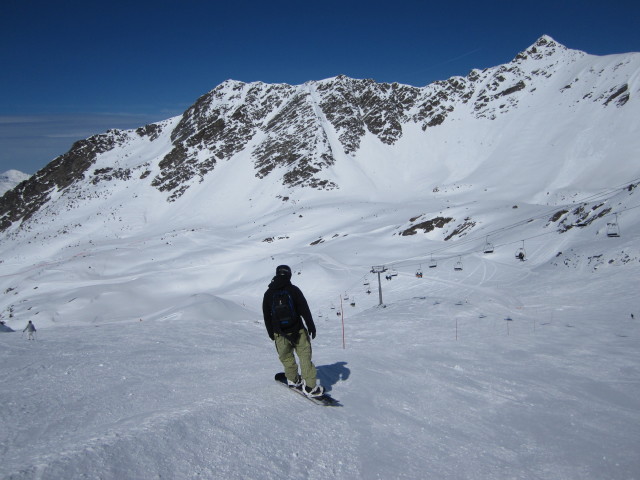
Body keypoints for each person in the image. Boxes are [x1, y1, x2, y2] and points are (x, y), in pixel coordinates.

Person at [262, 265, 323, 397]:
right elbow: (304, 310)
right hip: (298, 330)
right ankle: (310, 387)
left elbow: (267, 316)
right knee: (305, 357)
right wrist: (311, 326)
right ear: (289, 275)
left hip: (280, 334)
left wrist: (271, 334)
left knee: (287, 358)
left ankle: (293, 380)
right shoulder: (294, 290)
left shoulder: (268, 293)